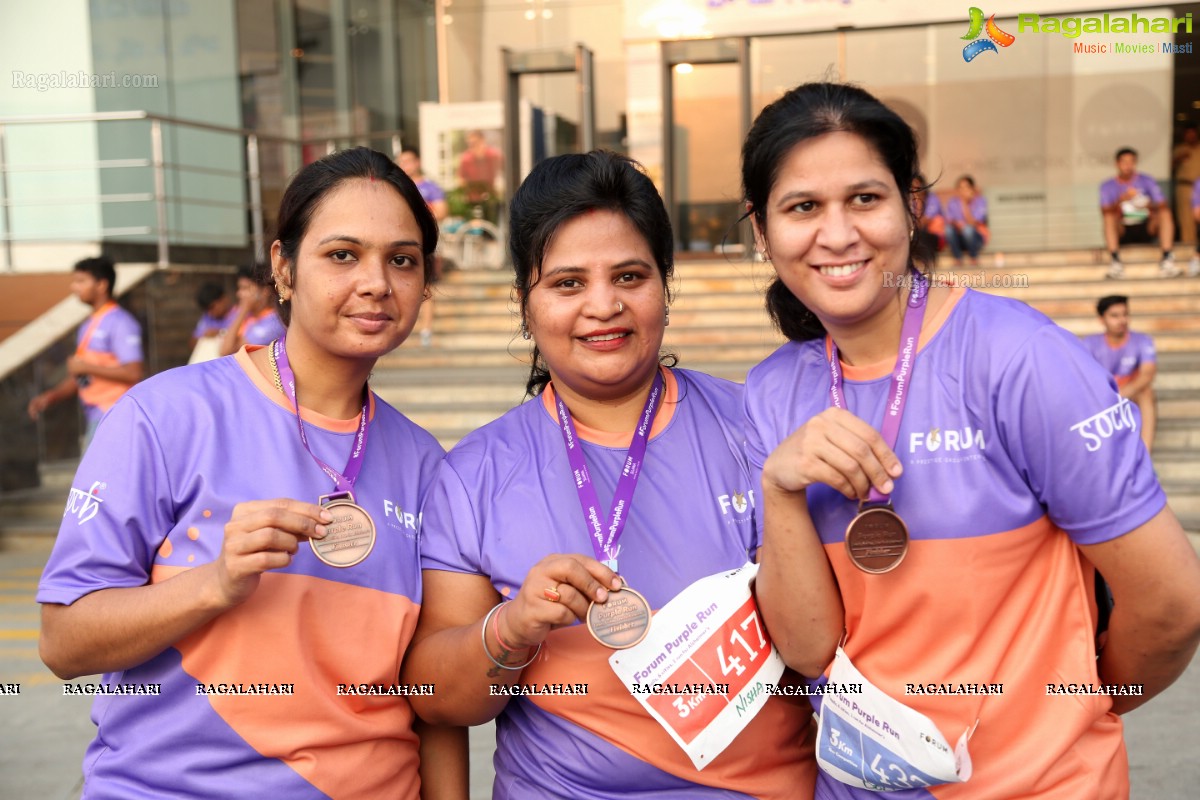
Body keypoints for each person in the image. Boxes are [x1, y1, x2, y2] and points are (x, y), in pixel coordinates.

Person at [741, 81, 1200, 799]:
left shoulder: (1020, 357)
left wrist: (1075, 704)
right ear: (762, 233)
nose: (837, 234)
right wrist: (781, 489)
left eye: (865, 198)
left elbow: (1172, 604)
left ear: (912, 205)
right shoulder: (771, 392)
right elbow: (809, 651)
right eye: (803, 207)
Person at [403, 151, 826, 799]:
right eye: (568, 283)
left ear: (665, 283)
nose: (603, 306)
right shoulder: (474, 475)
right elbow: (436, 698)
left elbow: (829, 647)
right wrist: (512, 626)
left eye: (630, 275)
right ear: (525, 302)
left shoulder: (762, 431)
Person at [37, 147, 454, 799]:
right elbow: (63, 640)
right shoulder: (165, 415)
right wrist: (214, 583)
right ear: (283, 269)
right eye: (342, 255)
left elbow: (427, 695)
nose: (376, 281)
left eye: (401, 259)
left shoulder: (427, 464)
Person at [27, 256, 143, 445]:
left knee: (96, 475)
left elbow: (133, 372)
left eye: (81, 281)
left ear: (102, 285)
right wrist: (51, 396)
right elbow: (81, 376)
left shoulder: (121, 322)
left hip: (114, 413)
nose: (74, 287)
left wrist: (86, 368)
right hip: (95, 413)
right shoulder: (89, 324)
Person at [1082, 295, 1159, 452]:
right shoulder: (1090, 343)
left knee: (1146, 391)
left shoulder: (1142, 340)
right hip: (1102, 396)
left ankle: (1145, 455)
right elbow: (1084, 377)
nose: (1122, 320)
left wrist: (1120, 395)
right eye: (1114, 316)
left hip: (1130, 394)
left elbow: (1147, 374)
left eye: (1125, 314)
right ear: (1101, 319)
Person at [398, 146, 449, 347]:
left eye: (408, 161)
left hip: (423, 243)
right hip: (400, 244)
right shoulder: (397, 188)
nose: (405, 165)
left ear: (417, 162)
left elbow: (442, 211)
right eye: (401, 161)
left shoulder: (430, 187)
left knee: (426, 287)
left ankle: (425, 329)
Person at [1100, 147, 1178, 278]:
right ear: (1117, 164)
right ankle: (1115, 261)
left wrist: (1147, 204)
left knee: (1165, 213)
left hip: (1146, 225)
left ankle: (1167, 258)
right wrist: (1120, 200)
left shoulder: (1146, 180)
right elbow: (1104, 210)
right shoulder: (1108, 185)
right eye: (1124, 162)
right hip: (1123, 227)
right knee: (1109, 217)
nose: (1128, 166)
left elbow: (1162, 204)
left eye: (1131, 162)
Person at [219, 263, 286, 356]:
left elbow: (225, 351)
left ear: (265, 292)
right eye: (239, 288)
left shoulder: (273, 322)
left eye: (245, 288)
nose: (239, 294)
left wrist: (243, 311)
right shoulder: (248, 315)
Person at [943, 175, 988, 267]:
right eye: (960, 188)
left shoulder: (980, 201)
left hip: (975, 239)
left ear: (972, 188)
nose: (963, 190)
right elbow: (949, 220)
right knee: (948, 229)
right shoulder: (953, 202)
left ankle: (973, 257)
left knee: (968, 230)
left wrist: (964, 202)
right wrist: (957, 224)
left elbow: (972, 223)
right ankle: (957, 258)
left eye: (966, 187)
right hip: (959, 237)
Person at [189, 281, 235, 363]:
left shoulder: (239, 314)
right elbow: (192, 344)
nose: (210, 312)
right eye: (207, 309)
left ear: (224, 299)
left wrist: (220, 333)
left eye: (212, 307)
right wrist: (204, 336)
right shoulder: (207, 318)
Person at [1171, 124, 1200, 256]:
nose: (1191, 136)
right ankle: (1188, 252)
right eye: (1188, 133)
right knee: (1186, 220)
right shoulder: (1179, 149)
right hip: (1185, 186)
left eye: (1193, 133)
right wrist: (1178, 159)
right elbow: (1168, 167)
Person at [457, 130, 503, 209]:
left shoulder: (494, 155)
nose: (472, 146)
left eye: (474, 143)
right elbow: (461, 180)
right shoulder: (466, 159)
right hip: (472, 201)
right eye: (469, 144)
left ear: (482, 141)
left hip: (492, 199)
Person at [912, 173, 944, 257]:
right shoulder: (911, 200)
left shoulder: (932, 199)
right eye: (912, 187)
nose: (915, 190)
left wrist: (919, 200)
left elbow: (923, 222)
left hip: (934, 237)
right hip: (919, 236)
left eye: (917, 187)